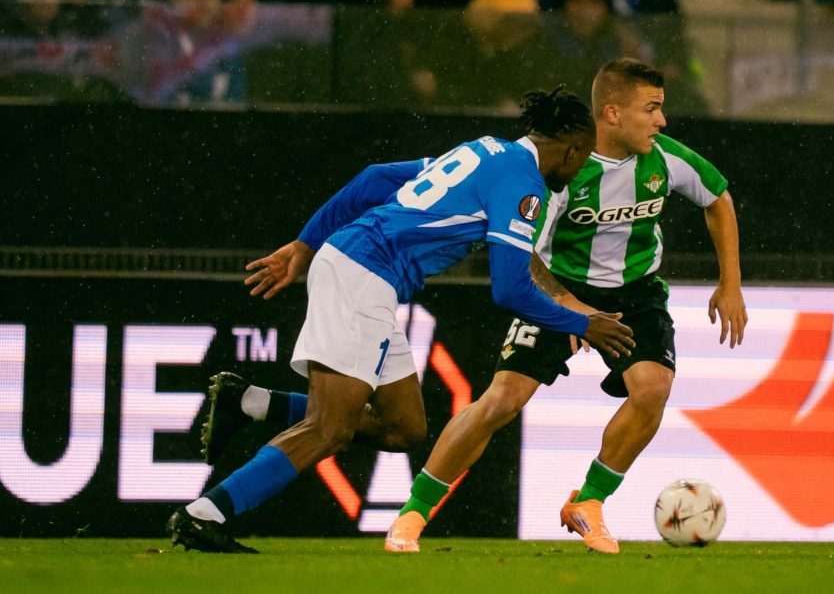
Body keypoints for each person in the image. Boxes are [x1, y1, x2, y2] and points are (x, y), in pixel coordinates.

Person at [166, 85, 636, 553]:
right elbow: (509, 288)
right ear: (573, 148)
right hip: (363, 274)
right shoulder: (525, 184)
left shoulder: (486, 150)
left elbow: (374, 178)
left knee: (403, 428)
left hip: (365, 273)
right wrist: (582, 324)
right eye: (583, 158)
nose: (579, 172)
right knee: (329, 428)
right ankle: (203, 514)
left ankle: (249, 401)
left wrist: (308, 243)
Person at [384, 58, 746, 554]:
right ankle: (413, 513)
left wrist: (730, 282)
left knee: (652, 389)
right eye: (653, 109)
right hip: (559, 286)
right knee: (501, 400)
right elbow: (525, 252)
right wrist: (569, 306)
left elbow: (718, 197)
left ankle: (589, 502)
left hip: (636, 294)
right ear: (613, 113)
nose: (662, 121)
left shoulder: (666, 158)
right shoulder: (565, 166)